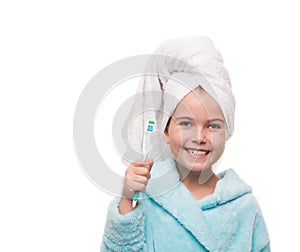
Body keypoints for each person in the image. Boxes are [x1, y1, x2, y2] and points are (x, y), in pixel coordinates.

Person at [101, 36, 270, 251]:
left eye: (213, 126)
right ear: (165, 131)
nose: (199, 137)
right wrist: (127, 198)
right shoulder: (148, 198)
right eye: (186, 123)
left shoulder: (245, 206)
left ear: (228, 130)